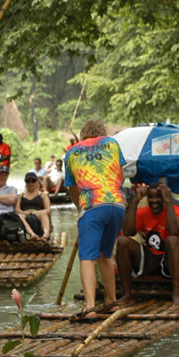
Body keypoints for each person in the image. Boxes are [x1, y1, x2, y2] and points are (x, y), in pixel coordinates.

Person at [65, 119, 126, 315]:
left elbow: (73, 189)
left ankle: (90, 307)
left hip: (92, 205)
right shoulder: (113, 144)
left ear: (83, 135)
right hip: (117, 204)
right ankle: (112, 301)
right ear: (103, 133)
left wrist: (79, 207)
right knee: (105, 254)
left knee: (87, 257)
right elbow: (121, 176)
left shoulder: (72, 152)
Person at [116, 183, 179, 308]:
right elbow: (128, 231)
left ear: (164, 198)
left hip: (172, 259)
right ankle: (127, 295)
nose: (154, 201)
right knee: (122, 242)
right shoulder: (144, 212)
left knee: (172, 240)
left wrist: (168, 201)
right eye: (150, 197)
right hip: (151, 258)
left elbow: (174, 230)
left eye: (158, 197)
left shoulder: (175, 210)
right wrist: (135, 201)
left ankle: (177, 295)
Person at [15, 171, 51, 240]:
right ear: (26, 183)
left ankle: (46, 235)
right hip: (25, 214)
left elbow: (48, 210)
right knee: (19, 216)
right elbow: (17, 209)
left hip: (39, 213)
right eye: (28, 181)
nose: (30, 183)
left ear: (36, 182)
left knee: (44, 213)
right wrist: (24, 212)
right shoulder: (20, 195)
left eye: (33, 181)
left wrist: (37, 212)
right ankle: (32, 234)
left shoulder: (42, 195)